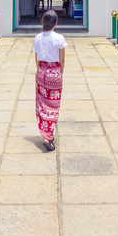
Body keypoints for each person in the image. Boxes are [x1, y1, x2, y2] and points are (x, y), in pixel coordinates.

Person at [34, 9, 66, 151]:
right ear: (56, 23)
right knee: (53, 105)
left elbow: (36, 58)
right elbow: (62, 59)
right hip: (55, 72)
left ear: (43, 22)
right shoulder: (59, 38)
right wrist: (60, 71)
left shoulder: (38, 37)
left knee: (41, 103)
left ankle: (45, 132)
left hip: (41, 72)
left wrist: (40, 70)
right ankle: (49, 136)